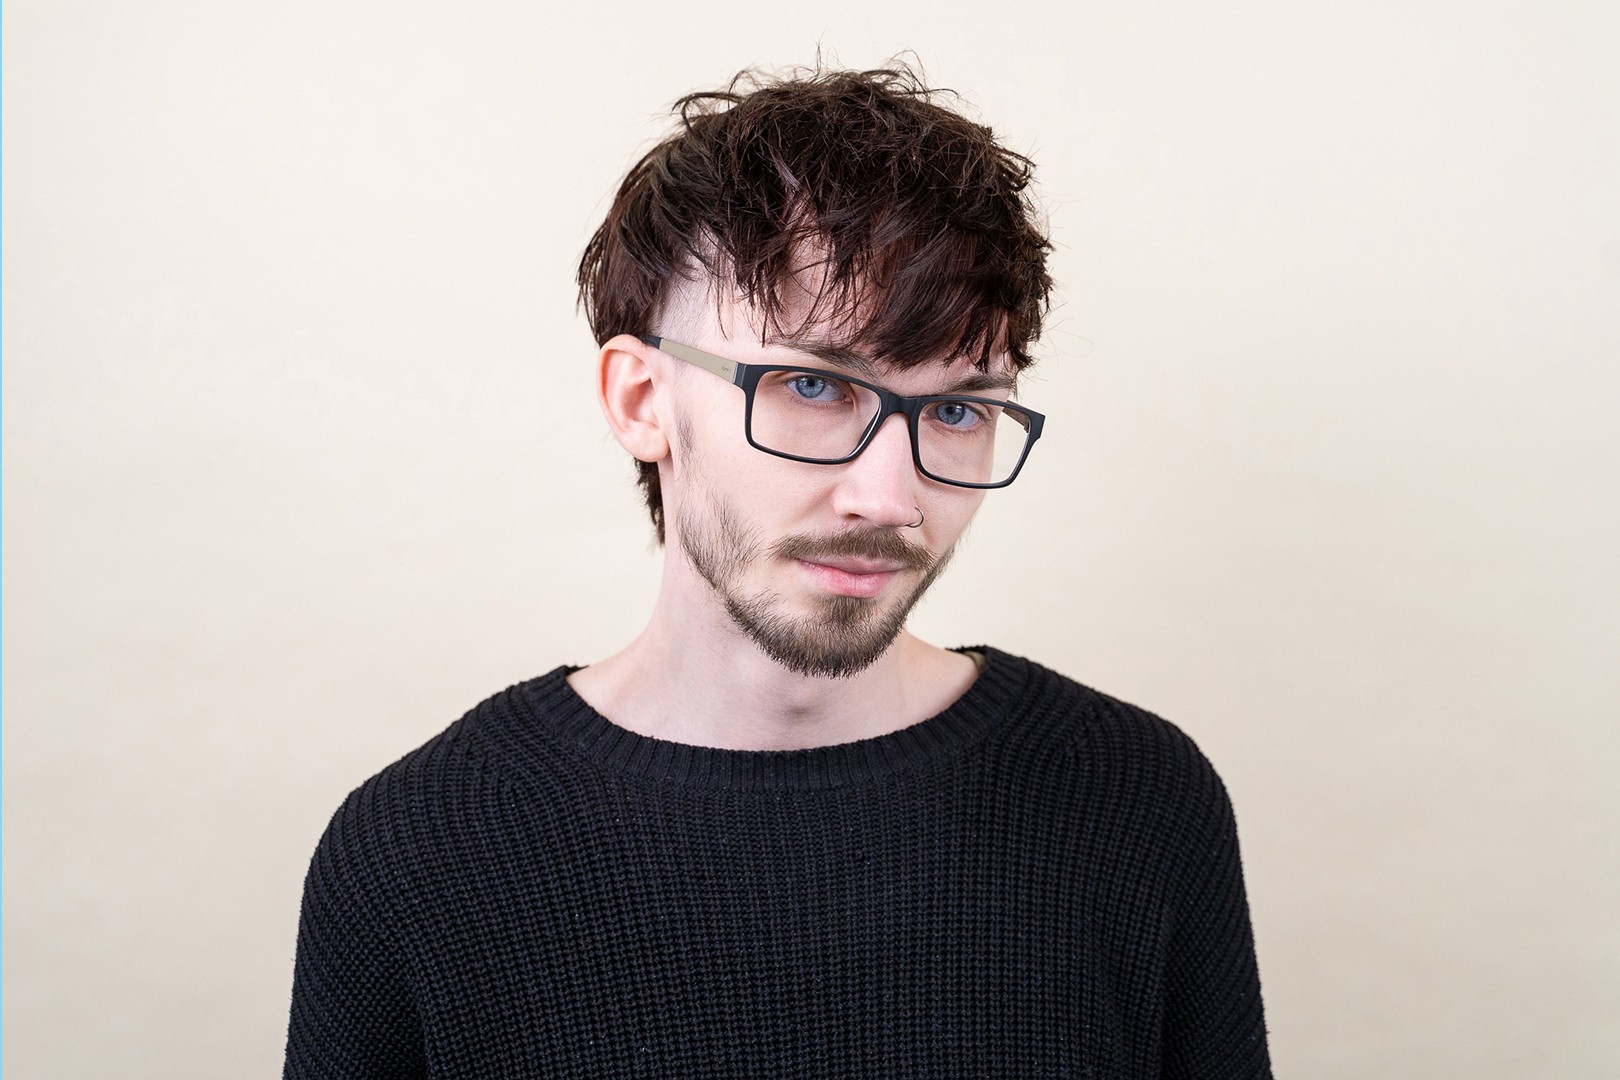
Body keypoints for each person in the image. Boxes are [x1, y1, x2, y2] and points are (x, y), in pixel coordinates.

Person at [283, 63, 1272, 1079]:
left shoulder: (1135, 800)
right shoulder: (418, 852)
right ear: (641, 400)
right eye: (811, 386)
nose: (888, 498)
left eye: (958, 410)